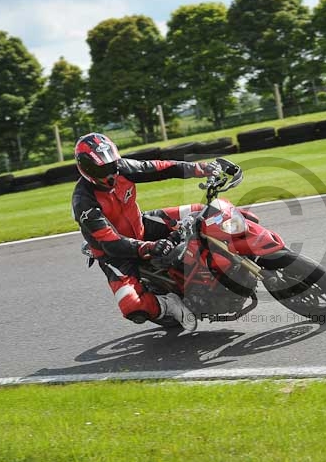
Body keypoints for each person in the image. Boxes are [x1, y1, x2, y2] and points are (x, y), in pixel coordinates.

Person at [71, 132, 220, 332]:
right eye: (102, 168)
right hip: (114, 254)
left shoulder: (122, 168)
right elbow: (111, 242)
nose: (110, 173)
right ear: (86, 168)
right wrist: (149, 247)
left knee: (205, 211)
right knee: (132, 306)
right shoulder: (84, 201)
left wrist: (201, 168)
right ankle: (169, 305)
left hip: (142, 225)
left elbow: (160, 168)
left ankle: (242, 240)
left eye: (112, 165)